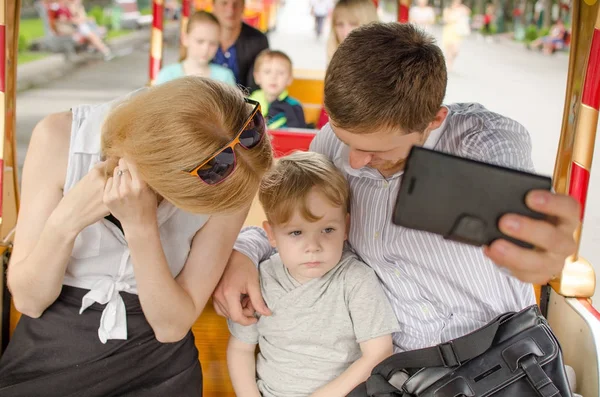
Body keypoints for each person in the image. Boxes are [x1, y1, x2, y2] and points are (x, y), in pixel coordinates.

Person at [212, 23, 579, 356]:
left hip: (498, 359)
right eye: (345, 140)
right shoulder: (332, 144)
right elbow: (292, 214)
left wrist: (540, 248)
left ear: (434, 120)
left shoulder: (482, 143)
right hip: (397, 366)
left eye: (378, 150)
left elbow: (529, 229)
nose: (353, 162)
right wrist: (244, 251)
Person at [0, 77, 273, 396]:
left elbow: (171, 326)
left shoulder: (234, 168)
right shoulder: (59, 137)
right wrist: (67, 220)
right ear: (159, 171)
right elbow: (29, 302)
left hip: (157, 363)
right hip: (50, 353)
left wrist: (141, 226)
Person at [227, 151, 399, 397]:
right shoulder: (261, 279)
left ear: (346, 227)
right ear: (272, 234)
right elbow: (241, 349)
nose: (313, 246)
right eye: (296, 233)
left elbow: (378, 353)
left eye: (327, 229)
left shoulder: (356, 280)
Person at [318, 0, 379, 129]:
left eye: (353, 24)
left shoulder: (382, 66)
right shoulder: (334, 63)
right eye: (340, 24)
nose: (346, 32)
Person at [156, 11, 236, 85]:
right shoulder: (167, 75)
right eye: (200, 41)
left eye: (213, 43)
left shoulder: (224, 77)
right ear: (185, 39)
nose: (206, 49)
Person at [212, 0, 269, 89]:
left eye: (236, 4)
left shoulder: (258, 41)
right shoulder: (200, 36)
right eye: (224, 3)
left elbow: (258, 84)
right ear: (214, 6)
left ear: (243, 7)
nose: (230, 10)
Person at [249, 50, 307, 129]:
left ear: (289, 78)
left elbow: (298, 136)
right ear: (257, 77)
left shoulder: (294, 107)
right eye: (267, 72)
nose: (273, 77)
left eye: (280, 73)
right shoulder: (249, 104)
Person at [442, 0, 471, 71]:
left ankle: (451, 61)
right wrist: (454, 19)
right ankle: (449, 65)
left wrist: (462, 8)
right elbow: (445, 19)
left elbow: (469, 12)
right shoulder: (448, 9)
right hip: (449, 30)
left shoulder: (462, 9)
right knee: (449, 50)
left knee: (455, 51)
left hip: (458, 32)